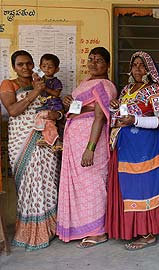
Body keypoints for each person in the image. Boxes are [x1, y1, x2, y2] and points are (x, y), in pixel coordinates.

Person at [105, 51, 159, 250]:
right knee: (128, 188)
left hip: (145, 147)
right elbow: (119, 118)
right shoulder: (125, 90)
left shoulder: (154, 90)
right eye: (135, 65)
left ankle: (148, 233)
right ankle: (131, 230)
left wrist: (135, 120)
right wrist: (115, 108)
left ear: (150, 70)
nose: (138, 69)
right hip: (125, 146)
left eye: (142, 66)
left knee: (144, 187)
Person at [0, 50, 62, 251]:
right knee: (29, 184)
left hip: (44, 139)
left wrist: (57, 113)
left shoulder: (43, 81)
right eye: (20, 64)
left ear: (33, 64)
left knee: (48, 181)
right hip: (21, 141)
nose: (25, 67)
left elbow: (55, 104)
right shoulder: (8, 84)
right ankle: (30, 232)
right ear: (14, 67)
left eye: (28, 63)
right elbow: (13, 110)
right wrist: (35, 92)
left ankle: (50, 229)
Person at [56, 47, 117, 248]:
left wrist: (90, 147)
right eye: (90, 59)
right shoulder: (84, 83)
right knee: (78, 187)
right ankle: (81, 227)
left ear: (107, 65)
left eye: (99, 60)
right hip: (74, 142)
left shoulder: (105, 85)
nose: (93, 63)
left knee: (93, 185)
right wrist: (69, 103)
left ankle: (98, 232)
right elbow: (78, 108)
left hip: (92, 142)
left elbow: (99, 116)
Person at [33, 53, 64, 151]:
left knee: (52, 122)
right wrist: (35, 79)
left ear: (56, 69)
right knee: (45, 121)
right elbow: (34, 88)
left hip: (54, 104)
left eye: (50, 67)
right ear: (40, 67)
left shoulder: (56, 82)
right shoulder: (40, 79)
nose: (46, 69)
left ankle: (57, 140)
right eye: (44, 66)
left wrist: (45, 88)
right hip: (45, 104)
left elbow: (56, 94)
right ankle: (49, 138)